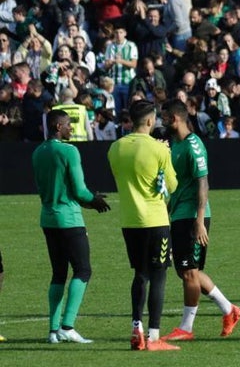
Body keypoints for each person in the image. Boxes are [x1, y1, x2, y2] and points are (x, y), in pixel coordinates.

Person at [159, 99, 240, 341]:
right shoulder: (174, 144)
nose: (161, 121)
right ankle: (230, 310)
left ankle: (186, 328)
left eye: (164, 117)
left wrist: (198, 220)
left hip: (193, 216)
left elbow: (202, 182)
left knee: (189, 273)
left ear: (175, 118)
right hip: (179, 215)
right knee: (187, 272)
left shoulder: (193, 145)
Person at [32, 109, 110, 344]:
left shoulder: (38, 152)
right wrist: (94, 199)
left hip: (48, 217)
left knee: (58, 273)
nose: (71, 129)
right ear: (58, 127)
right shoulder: (69, 151)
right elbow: (79, 190)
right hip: (69, 219)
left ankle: (53, 331)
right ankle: (68, 326)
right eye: (68, 124)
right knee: (83, 270)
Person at [107, 100, 180, 351]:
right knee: (159, 275)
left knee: (140, 274)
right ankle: (153, 337)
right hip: (156, 220)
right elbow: (171, 186)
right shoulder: (160, 150)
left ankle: (136, 328)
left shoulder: (115, 148)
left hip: (129, 221)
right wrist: (164, 154)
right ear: (150, 121)